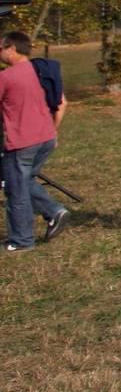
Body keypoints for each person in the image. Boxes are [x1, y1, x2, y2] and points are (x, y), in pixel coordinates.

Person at [0, 32, 68, 250]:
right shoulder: (40, 71)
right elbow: (61, 102)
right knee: (26, 180)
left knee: (16, 191)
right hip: (46, 137)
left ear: (12, 48)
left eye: (1, 48)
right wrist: (53, 129)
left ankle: (22, 240)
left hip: (22, 142)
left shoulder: (6, 77)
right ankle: (54, 212)